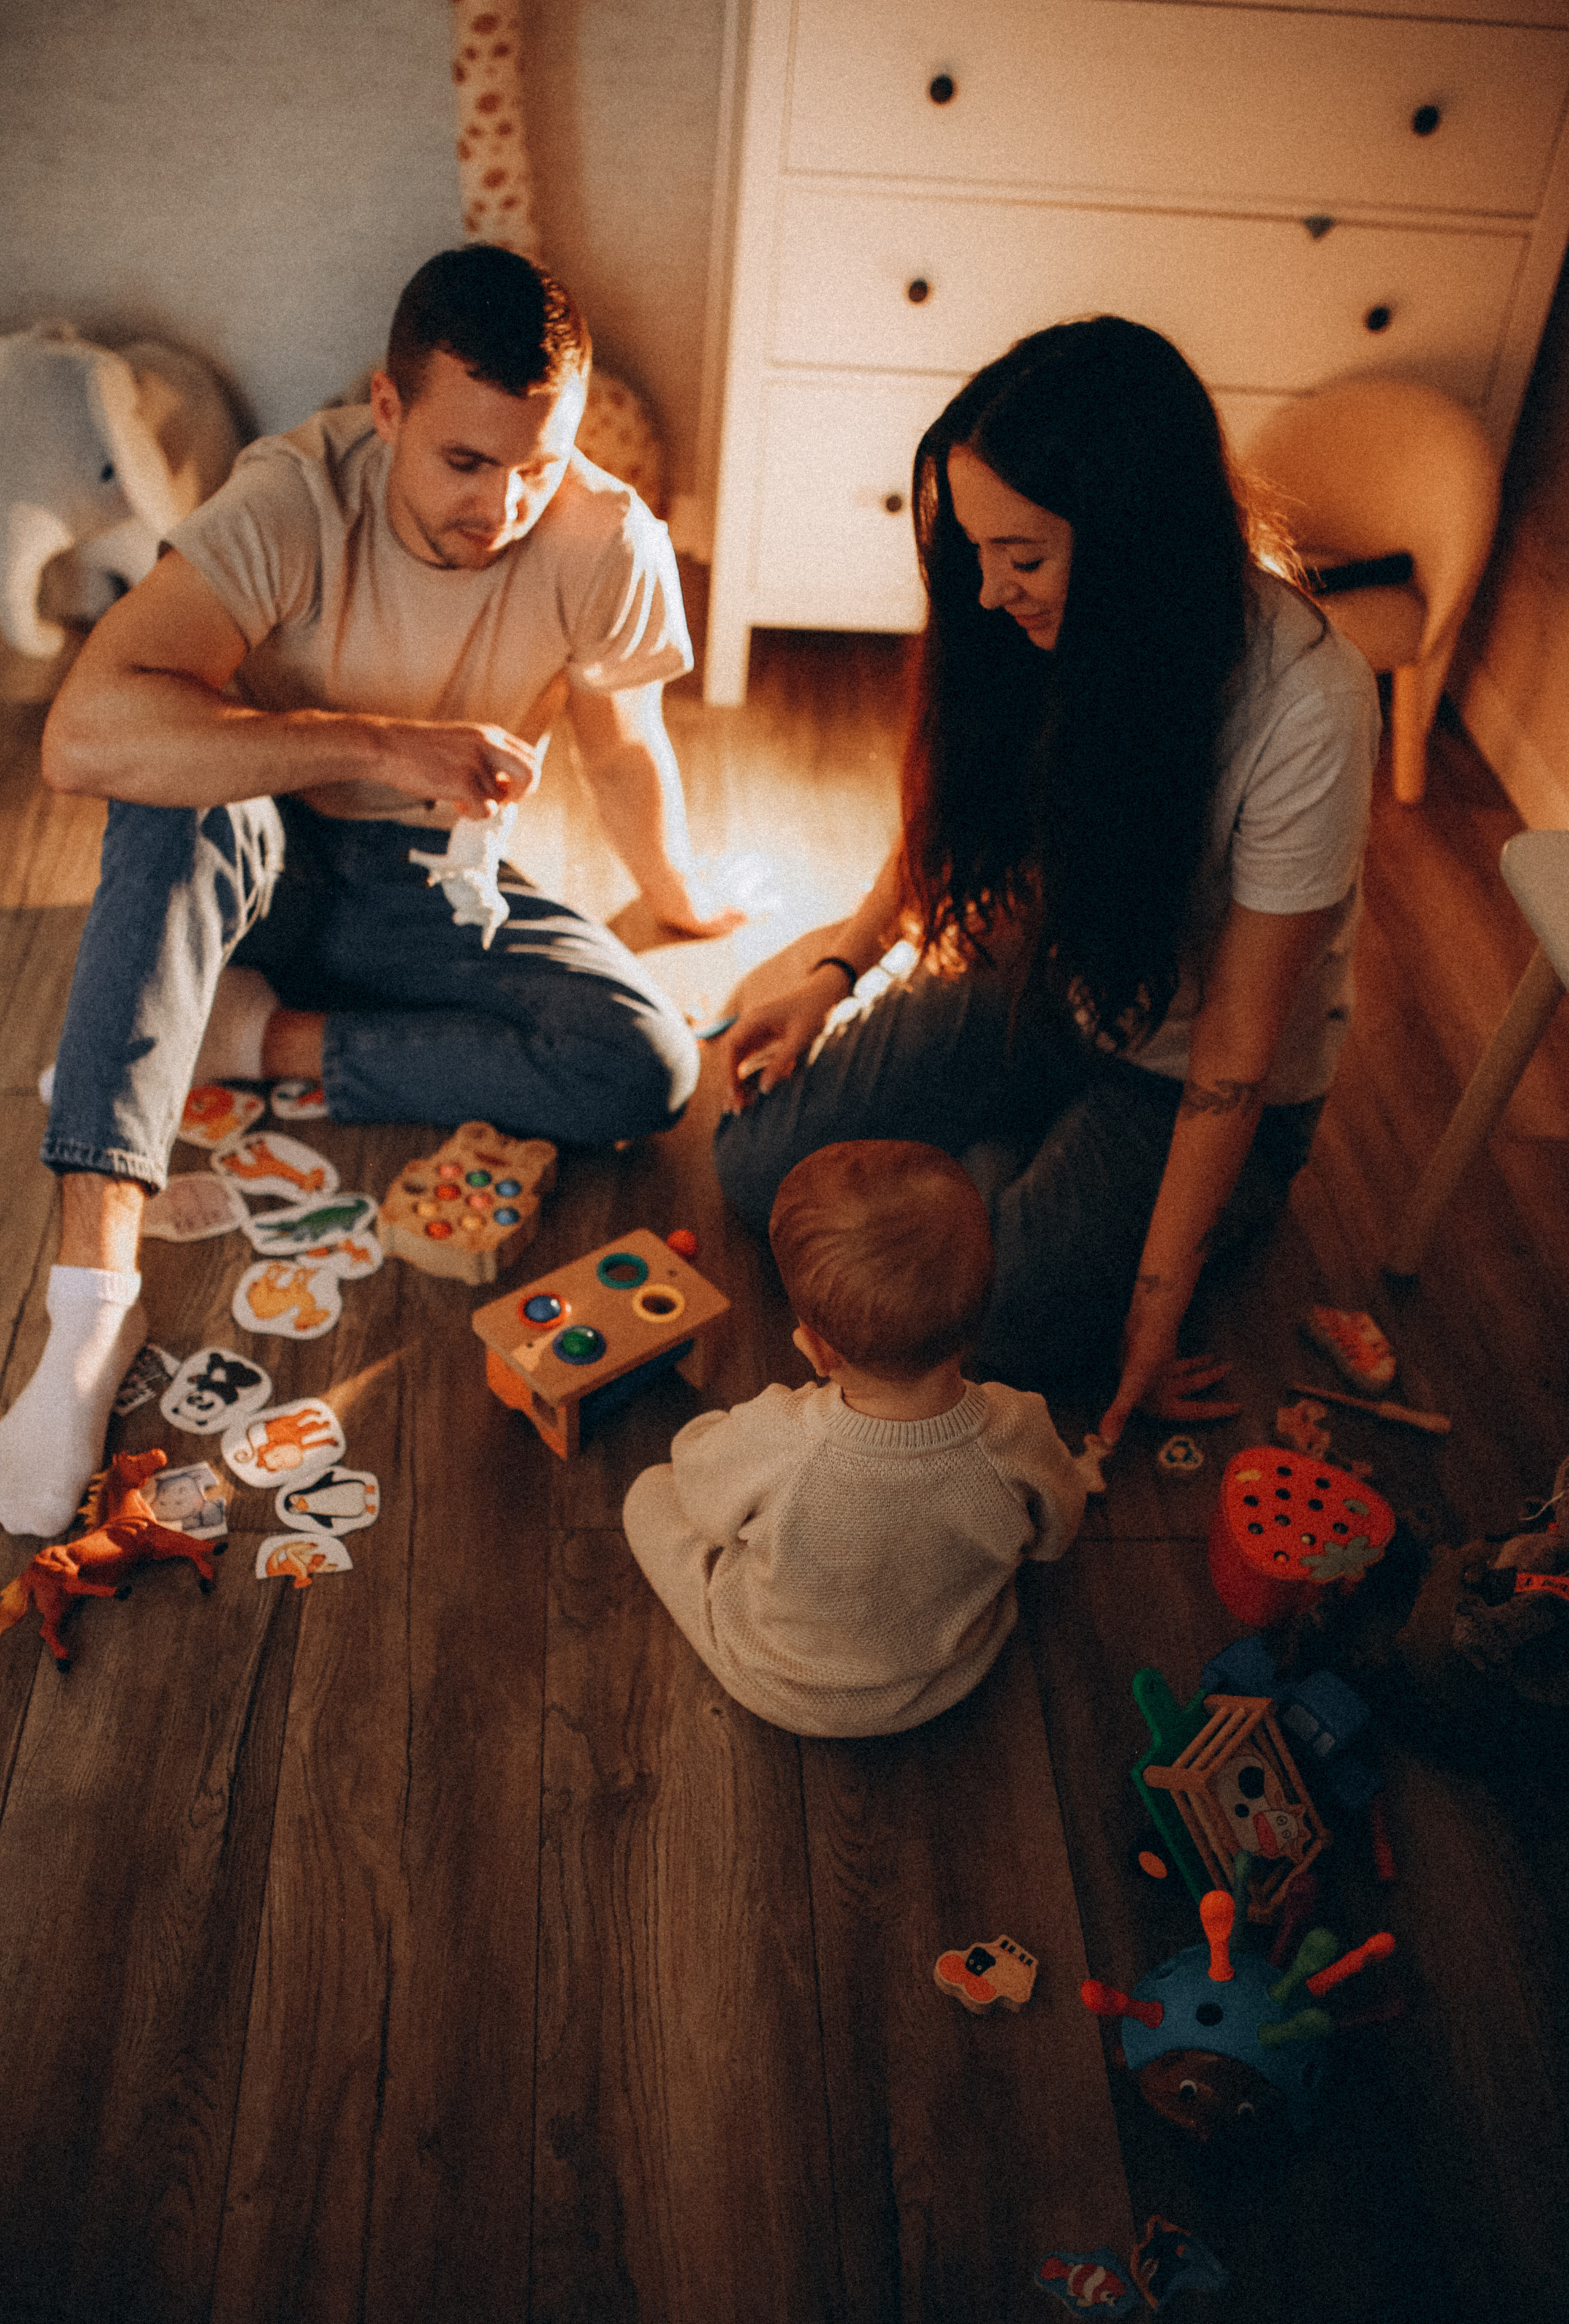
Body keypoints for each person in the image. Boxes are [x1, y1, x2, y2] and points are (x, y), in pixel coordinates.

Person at [0, 245, 741, 1539]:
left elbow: (625, 745)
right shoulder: (289, 497)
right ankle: (85, 1315)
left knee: (645, 1066)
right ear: (388, 411)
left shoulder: (605, 539)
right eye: (465, 463)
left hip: (427, 881)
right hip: (265, 851)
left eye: (535, 463)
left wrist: (675, 900)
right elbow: (85, 736)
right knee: (170, 805)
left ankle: (244, 1037)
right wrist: (380, 744)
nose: (501, 506)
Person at [714, 317, 1381, 1453]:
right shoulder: (1030, 620)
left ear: (1133, 539)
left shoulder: (1306, 707)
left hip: (1193, 1083)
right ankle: (1005, 1175)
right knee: (754, 1166)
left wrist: (1157, 1306)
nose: (989, 593)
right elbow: (961, 816)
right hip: (1058, 977)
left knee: (1008, 1323)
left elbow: (1235, 1046)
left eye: (1023, 557)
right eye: (977, 552)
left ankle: (1027, 1185)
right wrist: (836, 967)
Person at [623, 1140, 1085, 1738]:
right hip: (946, 1674)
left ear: (816, 1348)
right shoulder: (1017, 1429)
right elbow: (1055, 1536)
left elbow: (704, 1502)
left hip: (781, 1685)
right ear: (978, 1318)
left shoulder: (780, 1438)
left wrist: (710, 1435)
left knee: (648, 1494)